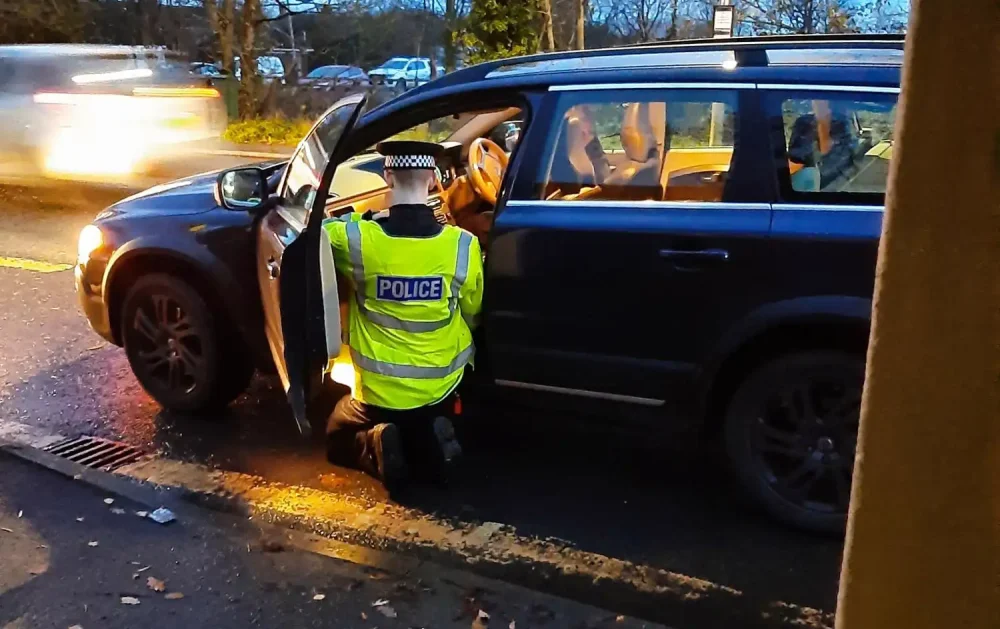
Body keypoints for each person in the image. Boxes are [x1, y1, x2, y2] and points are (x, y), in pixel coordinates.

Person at [322, 140, 484, 493]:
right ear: (432, 180)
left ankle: (375, 446)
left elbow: (316, 231)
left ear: (387, 177)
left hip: (376, 394)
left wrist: (362, 217)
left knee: (336, 435)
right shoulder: (463, 245)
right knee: (427, 417)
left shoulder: (355, 238)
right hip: (441, 385)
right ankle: (431, 438)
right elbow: (472, 313)